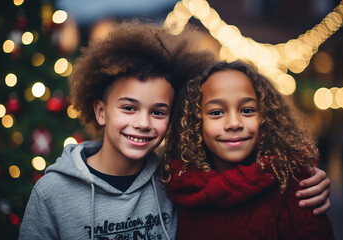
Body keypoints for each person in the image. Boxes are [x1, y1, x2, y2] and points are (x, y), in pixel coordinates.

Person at [18, 20, 212, 240]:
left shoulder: (172, 180)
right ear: (101, 112)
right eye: (129, 108)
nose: (143, 123)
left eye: (158, 112)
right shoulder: (52, 193)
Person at [163, 61, 334, 239]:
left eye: (247, 110)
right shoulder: (171, 186)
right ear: (194, 122)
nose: (234, 123)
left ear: (266, 117)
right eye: (216, 112)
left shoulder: (298, 192)